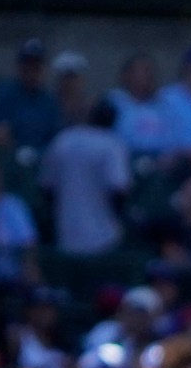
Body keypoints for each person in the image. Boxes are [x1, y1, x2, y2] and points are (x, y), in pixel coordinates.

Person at [38, 99, 133, 256]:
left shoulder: (63, 140)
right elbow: (119, 189)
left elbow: (47, 188)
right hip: (104, 237)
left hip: (66, 234)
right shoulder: (112, 143)